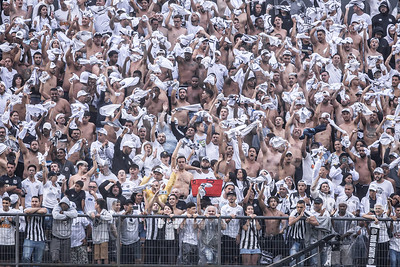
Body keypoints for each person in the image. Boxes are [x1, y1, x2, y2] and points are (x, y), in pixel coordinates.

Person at [50, 196, 78, 263]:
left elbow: (75, 214)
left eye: (65, 204)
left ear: (68, 205)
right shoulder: (57, 207)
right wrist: (67, 217)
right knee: (55, 257)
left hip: (67, 237)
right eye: (62, 204)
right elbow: (55, 215)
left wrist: (64, 213)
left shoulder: (71, 208)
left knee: (66, 259)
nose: (64, 205)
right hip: (56, 236)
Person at [22, 196, 47, 265]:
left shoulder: (43, 208)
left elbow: (44, 211)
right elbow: (27, 211)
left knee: (38, 261)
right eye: (32, 201)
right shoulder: (27, 208)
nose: (34, 203)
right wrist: (38, 209)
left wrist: (34, 210)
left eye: (36, 201)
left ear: (39, 202)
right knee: (26, 257)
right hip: (29, 238)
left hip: (40, 239)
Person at [87, 198, 112, 264]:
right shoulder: (94, 211)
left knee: (104, 256)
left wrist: (100, 216)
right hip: (96, 238)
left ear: (98, 205)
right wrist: (91, 214)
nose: (94, 205)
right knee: (97, 256)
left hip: (104, 238)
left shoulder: (105, 212)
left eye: (95, 203)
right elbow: (87, 212)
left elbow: (110, 217)